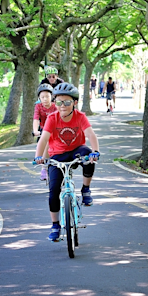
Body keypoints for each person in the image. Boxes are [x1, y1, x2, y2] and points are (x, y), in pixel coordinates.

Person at [34, 83, 100, 242]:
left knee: (88, 155)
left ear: (75, 103)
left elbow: (91, 135)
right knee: (53, 191)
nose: (62, 106)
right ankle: (55, 225)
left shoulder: (80, 117)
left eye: (67, 102)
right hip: (57, 155)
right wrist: (38, 157)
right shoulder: (52, 118)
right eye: (58, 102)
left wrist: (96, 151)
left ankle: (86, 189)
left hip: (77, 150)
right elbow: (43, 140)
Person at [33, 83, 57, 180]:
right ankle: (44, 167)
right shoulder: (38, 106)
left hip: (56, 129)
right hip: (44, 130)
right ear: (39, 98)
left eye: (47, 96)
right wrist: (35, 130)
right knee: (46, 142)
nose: (45, 99)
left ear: (52, 96)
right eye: (42, 97)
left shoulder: (55, 106)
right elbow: (36, 118)